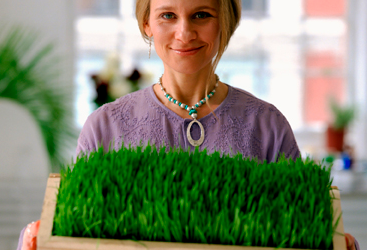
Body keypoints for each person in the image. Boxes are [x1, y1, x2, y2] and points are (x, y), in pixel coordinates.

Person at [18, 0, 359, 249]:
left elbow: (300, 226)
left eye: (201, 15)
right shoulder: (105, 125)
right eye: (168, 15)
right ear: (147, 24)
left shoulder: (266, 124)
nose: (185, 32)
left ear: (224, 21)